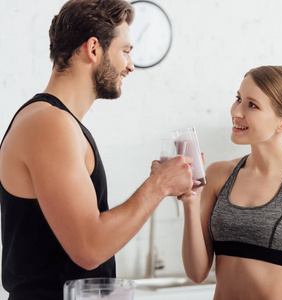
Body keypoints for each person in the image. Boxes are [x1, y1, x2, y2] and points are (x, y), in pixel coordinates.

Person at [0, 1, 195, 299]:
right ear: (93, 49)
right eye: (126, 51)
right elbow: (89, 248)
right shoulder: (49, 124)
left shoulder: (55, 122)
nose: (130, 65)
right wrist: (159, 186)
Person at [180, 65, 282, 299]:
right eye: (238, 99)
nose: (236, 111)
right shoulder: (218, 175)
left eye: (252, 105)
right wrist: (190, 202)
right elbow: (197, 273)